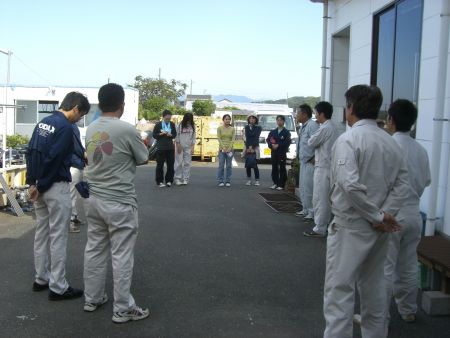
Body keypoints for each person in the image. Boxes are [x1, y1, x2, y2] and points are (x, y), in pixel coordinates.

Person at [323, 85, 410, 338]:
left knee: (339, 292)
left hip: (351, 226)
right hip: (379, 230)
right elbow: (404, 183)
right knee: (375, 290)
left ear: (350, 108)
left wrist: (379, 216)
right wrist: (385, 214)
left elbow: (349, 185)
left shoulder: (349, 139)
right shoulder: (391, 142)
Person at [83, 83, 150, 323]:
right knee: (121, 255)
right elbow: (143, 158)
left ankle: (93, 298)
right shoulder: (126, 129)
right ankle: (122, 308)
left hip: (93, 199)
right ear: (122, 104)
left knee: (95, 249)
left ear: (100, 104)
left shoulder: (91, 128)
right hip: (119, 201)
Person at [26, 92, 90, 300]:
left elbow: (31, 151)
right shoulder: (64, 127)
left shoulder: (43, 123)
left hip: (39, 187)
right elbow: (55, 158)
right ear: (75, 109)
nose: (79, 120)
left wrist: (32, 183)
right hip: (54, 186)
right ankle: (58, 286)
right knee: (58, 236)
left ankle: (41, 278)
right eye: (80, 115)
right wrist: (42, 184)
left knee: (42, 233)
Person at [384, 99, 431, 325]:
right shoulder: (420, 149)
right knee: (409, 264)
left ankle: (378, 315)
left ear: (391, 120)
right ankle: (408, 310)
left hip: (391, 213)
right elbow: (427, 181)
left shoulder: (388, 145)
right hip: (414, 213)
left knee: (384, 266)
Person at [303, 102, 339, 238]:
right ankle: (325, 224)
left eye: (316, 113)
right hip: (329, 166)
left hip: (323, 166)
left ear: (322, 113)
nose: (315, 116)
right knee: (327, 198)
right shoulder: (333, 127)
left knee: (320, 198)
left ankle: (320, 227)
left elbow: (311, 141)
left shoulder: (325, 128)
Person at [296, 104, 319, 220]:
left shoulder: (312, 125)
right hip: (303, 161)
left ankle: (312, 211)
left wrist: (315, 156)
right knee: (303, 187)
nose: (296, 115)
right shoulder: (303, 126)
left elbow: (318, 142)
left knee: (309, 188)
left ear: (304, 114)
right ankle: (305, 209)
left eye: (297, 113)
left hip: (310, 161)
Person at [69, 124, 87, 233]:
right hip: (73, 164)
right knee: (71, 194)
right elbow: (76, 146)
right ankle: (71, 220)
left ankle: (74, 217)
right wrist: (85, 155)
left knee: (74, 194)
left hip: (76, 164)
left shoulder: (70, 125)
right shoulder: (70, 126)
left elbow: (78, 145)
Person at [153, 109, 177, 187]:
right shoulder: (158, 124)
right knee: (160, 165)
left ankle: (169, 180)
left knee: (170, 165)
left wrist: (171, 135)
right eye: (167, 119)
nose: (168, 120)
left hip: (170, 147)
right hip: (161, 147)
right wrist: (161, 134)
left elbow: (174, 134)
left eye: (169, 119)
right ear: (163, 117)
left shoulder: (172, 124)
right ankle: (159, 181)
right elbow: (154, 135)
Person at [266, 115, 291, 190]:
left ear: (283, 121)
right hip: (274, 152)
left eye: (280, 120)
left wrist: (279, 145)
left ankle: (281, 184)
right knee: (274, 167)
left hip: (282, 152)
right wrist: (271, 145)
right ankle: (275, 183)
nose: (279, 121)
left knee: (282, 168)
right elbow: (268, 140)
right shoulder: (273, 131)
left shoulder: (286, 132)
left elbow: (288, 142)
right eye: (278, 120)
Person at [174, 112, 196, 185]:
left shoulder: (193, 126)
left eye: (190, 121)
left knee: (187, 163)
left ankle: (185, 178)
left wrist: (193, 147)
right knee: (178, 162)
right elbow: (176, 136)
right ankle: (177, 178)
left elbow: (193, 138)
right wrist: (178, 144)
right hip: (180, 146)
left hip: (188, 147)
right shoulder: (180, 125)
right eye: (187, 120)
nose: (188, 122)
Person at [217, 114, 235, 187]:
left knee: (228, 166)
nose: (227, 120)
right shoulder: (219, 128)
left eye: (228, 119)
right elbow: (219, 138)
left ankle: (228, 181)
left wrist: (229, 148)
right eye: (226, 119)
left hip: (230, 150)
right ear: (223, 120)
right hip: (222, 149)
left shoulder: (232, 129)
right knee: (221, 165)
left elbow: (233, 139)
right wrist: (223, 147)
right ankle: (220, 181)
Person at [243, 114, 262, 186]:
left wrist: (252, 147)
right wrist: (248, 147)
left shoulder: (258, 127)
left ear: (256, 120)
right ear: (248, 120)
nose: (252, 119)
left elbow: (256, 137)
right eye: (250, 118)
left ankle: (257, 180)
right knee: (248, 164)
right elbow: (246, 137)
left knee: (255, 164)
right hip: (247, 147)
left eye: (253, 118)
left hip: (255, 147)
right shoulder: (246, 127)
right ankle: (249, 179)